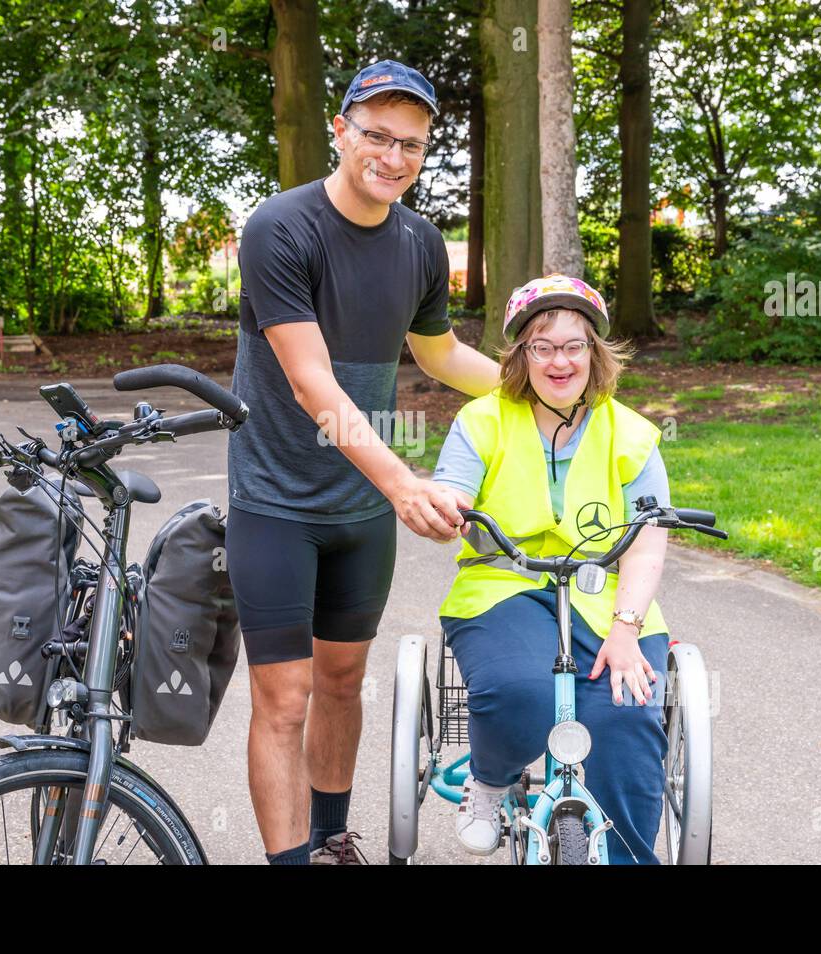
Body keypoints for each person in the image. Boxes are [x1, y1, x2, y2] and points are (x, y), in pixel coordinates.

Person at [227, 59, 500, 864]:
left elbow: (443, 355)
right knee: (284, 697)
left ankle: (328, 838)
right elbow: (312, 381)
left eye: (411, 144)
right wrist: (402, 481)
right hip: (276, 502)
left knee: (343, 683)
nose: (393, 156)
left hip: (359, 515)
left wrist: (556, 395)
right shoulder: (281, 226)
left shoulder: (419, 243)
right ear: (341, 132)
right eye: (376, 136)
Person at [431, 274, 673, 864]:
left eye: (574, 345)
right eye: (542, 346)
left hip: (605, 592)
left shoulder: (633, 434)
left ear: (595, 353)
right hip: (502, 585)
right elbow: (452, 493)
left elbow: (648, 541)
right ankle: (489, 782)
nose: (559, 361)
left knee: (627, 713)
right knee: (520, 690)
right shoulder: (482, 420)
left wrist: (625, 630)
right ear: (521, 355)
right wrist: (450, 509)